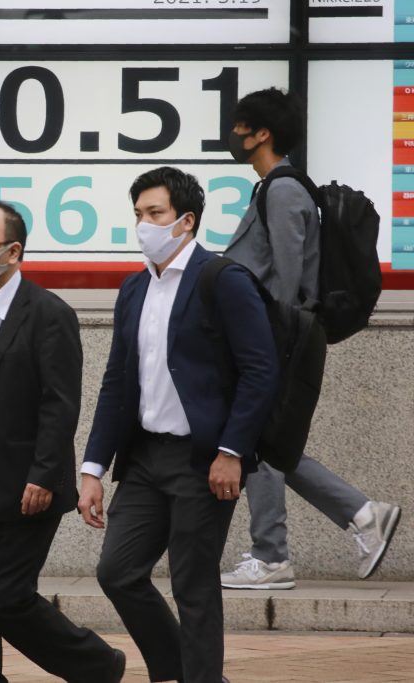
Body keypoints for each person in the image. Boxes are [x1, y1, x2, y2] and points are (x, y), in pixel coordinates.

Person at [78, 167, 279, 683]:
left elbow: (261, 370)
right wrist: (93, 466)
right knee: (117, 573)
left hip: (204, 460)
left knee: (193, 585)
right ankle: (182, 670)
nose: (144, 224)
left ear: (186, 221)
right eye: (139, 215)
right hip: (144, 458)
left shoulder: (222, 280)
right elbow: (116, 381)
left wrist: (232, 451)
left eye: (155, 214)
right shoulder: (134, 289)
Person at [0, 201, 125, 683]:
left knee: (6, 598)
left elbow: (61, 404)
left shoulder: (48, 314)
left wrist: (43, 473)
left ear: (13, 252)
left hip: (20, 486)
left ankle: (97, 666)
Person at [220, 88, 401, 589]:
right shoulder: (275, 188)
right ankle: (365, 515)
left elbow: (287, 278)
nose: (233, 134)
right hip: (272, 336)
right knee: (269, 443)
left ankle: (272, 556)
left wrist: (261, 348)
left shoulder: (282, 191)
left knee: (257, 441)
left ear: (263, 134)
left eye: (241, 126)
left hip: (274, 337)